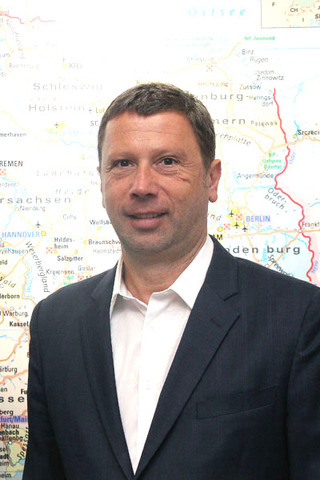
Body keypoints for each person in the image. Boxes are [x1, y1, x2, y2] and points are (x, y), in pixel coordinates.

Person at [24, 83, 320, 479]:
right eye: (123, 164)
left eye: (167, 161)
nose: (142, 186)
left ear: (211, 179)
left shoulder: (296, 318)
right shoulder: (55, 323)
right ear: (101, 180)